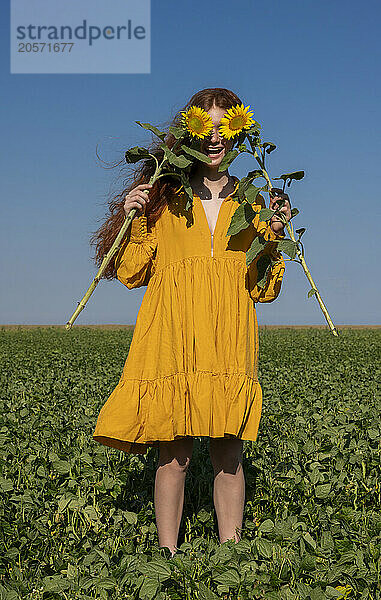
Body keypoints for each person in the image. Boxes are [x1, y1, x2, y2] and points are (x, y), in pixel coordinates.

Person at [91, 88, 291, 557]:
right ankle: (168, 555)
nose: (215, 138)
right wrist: (133, 217)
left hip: (228, 334)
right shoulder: (168, 194)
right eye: (207, 128)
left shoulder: (253, 197)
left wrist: (275, 237)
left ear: (239, 133)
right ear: (189, 136)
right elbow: (133, 271)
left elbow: (263, 287)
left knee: (228, 453)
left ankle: (232, 555)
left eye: (225, 128)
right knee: (173, 454)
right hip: (174, 332)